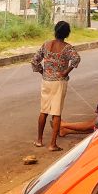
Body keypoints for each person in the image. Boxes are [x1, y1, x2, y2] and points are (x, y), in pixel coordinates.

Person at [32, 20, 81, 151]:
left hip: (46, 81)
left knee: (44, 111)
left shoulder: (46, 44)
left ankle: (39, 140)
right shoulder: (67, 48)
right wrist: (65, 71)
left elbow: (34, 60)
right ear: (67, 33)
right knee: (56, 113)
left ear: (55, 31)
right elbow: (76, 59)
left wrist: (42, 71)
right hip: (59, 82)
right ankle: (52, 144)